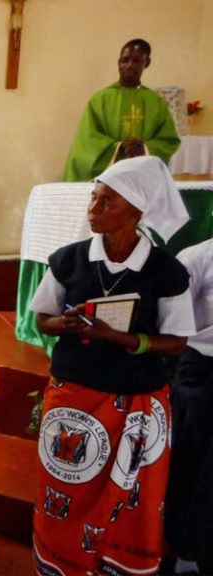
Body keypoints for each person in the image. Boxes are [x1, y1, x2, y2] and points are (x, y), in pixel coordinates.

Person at [29, 156, 195, 576]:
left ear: (137, 213)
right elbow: (41, 320)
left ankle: (115, 564)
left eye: (107, 202)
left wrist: (120, 339)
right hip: (73, 398)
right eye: (94, 198)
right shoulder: (67, 259)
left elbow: (176, 343)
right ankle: (61, 563)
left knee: (130, 494)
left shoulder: (166, 271)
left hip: (135, 401)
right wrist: (61, 323)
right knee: (64, 489)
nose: (93, 208)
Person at [62, 39, 180, 182]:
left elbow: (168, 140)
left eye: (137, 61)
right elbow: (87, 139)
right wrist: (118, 147)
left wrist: (145, 147)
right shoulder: (100, 99)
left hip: (142, 177)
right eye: (125, 60)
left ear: (147, 63)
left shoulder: (155, 102)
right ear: (119, 62)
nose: (129, 66)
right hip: (107, 178)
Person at [164, 238, 213, 575]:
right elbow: (173, 325)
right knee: (189, 459)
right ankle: (181, 552)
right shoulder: (197, 258)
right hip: (203, 368)